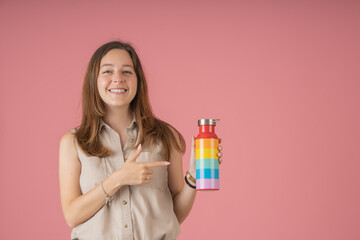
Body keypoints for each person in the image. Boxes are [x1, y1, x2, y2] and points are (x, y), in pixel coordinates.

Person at [59, 41, 223, 240]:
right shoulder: (73, 142)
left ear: (138, 80)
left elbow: (174, 214)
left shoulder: (165, 136)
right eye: (108, 71)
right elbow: (72, 216)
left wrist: (194, 177)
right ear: (94, 80)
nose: (118, 79)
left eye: (127, 72)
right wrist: (118, 179)